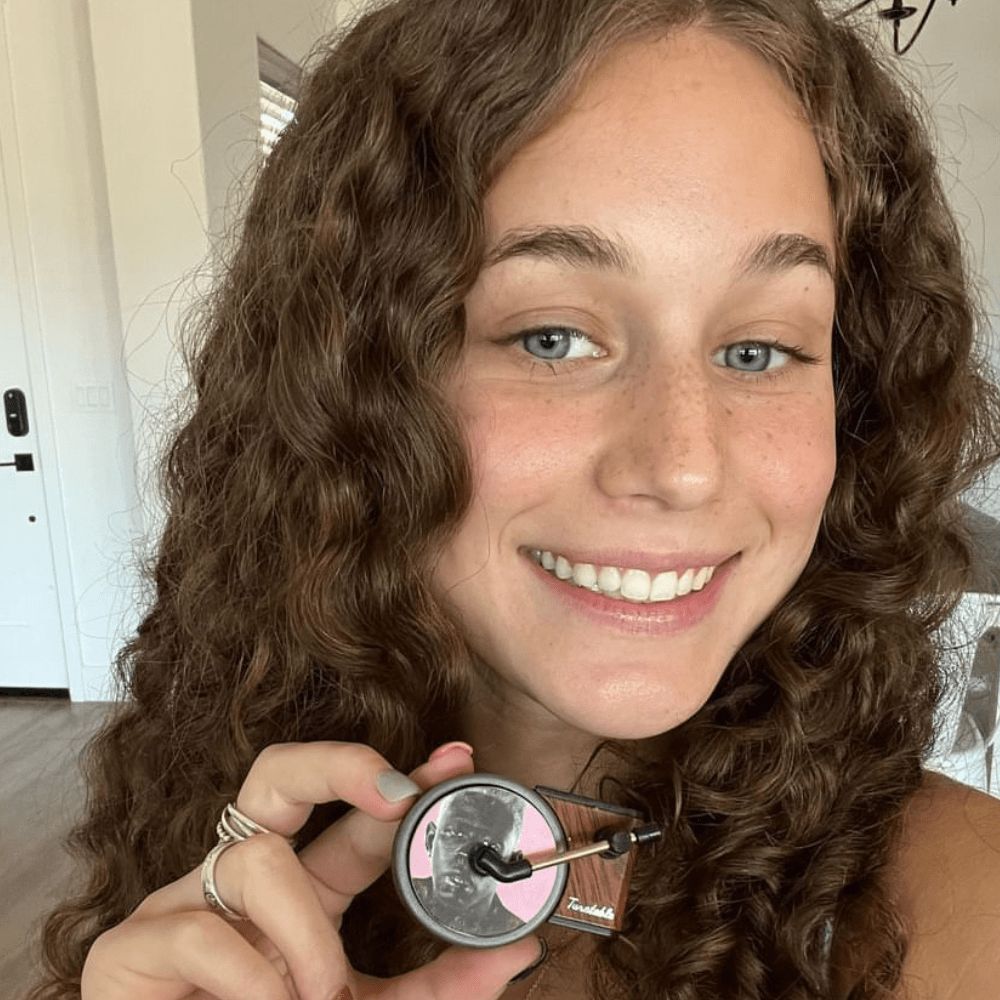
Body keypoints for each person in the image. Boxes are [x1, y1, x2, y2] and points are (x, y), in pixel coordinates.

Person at [26, 0, 1000, 998]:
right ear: (353, 383)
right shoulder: (209, 829)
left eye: (758, 350)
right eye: (552, 338)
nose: (683, 466)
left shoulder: (962, 919)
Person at [411, 788, 526, 936]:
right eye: (456, 834)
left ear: (512, 866)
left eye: (490, 848)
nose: (464, 855)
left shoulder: (517, 936)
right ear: (430, 840)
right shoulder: (389, 895)